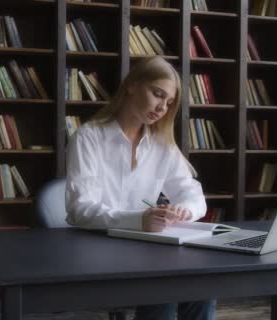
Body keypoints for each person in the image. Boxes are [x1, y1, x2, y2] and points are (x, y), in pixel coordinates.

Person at [65, 56, 216, 320]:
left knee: (202, 286)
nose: (162, 108)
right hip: (96, 248)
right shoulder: (88, 137)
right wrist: (139, 220)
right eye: (158, 95)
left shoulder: (162, 144)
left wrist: (183, 210)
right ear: (132, 85)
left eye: (169, 103)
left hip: (145, 250)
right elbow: (80, 209)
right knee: (163, 290)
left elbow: (193, 195)